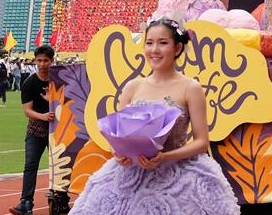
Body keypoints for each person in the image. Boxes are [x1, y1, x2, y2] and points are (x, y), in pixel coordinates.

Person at [69, 18, 240, 215]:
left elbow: (201, 142)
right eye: (149, 43)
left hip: (178, 175)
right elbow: (119, 135)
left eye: (163, 43)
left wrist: (165, 157)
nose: (154, 49)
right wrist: (120, 156)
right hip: (131, 176)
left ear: (177, 48)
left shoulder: (190, 88)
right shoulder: (132, 87)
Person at [10, 46, 56, 215]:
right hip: (36, 130)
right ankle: (26, 202)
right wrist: (43, 116)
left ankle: (60, 199)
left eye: (46, 60)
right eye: (39, 60)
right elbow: (27, 110)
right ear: (35, 61)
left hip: (58, 132)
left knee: (59, 166)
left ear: (52, 60)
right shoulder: (29, 83)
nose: (42, 64)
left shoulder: (60, 80)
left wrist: (53, 100)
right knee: (30, 165)